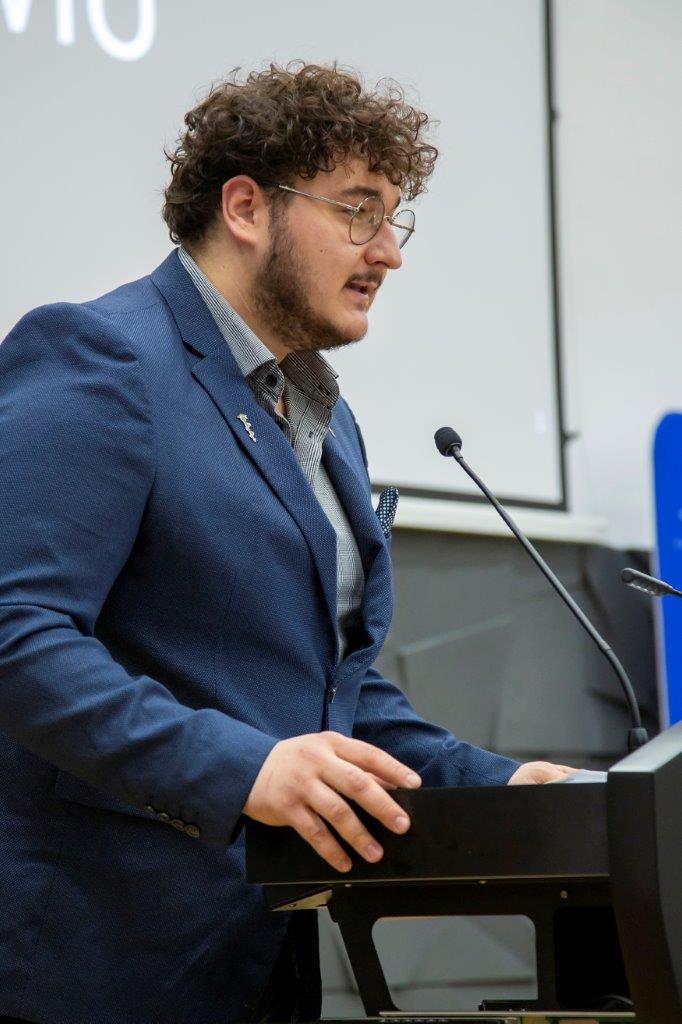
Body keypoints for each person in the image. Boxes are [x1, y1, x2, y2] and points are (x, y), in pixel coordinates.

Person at [0, 63, 574, 1024]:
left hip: (258, 963)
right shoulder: (103, 358)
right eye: (358, 210)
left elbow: (328, 695)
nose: (387, 251)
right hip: (85, 969)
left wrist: (502, 784)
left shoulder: (324, 418)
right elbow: (16, 633)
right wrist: (244, 770)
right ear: (245, 208)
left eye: (394, 218)